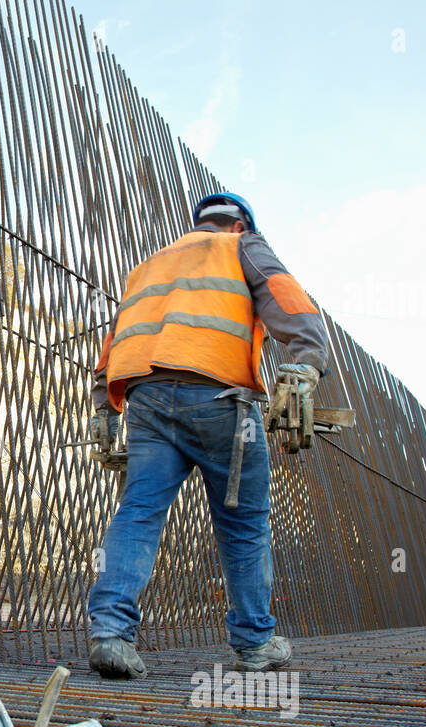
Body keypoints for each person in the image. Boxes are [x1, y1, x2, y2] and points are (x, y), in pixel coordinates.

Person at [86, 192, 330, 679]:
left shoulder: (151, 265)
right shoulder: (242, 247)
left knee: (137, 513)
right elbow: (291, 305)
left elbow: (115, 338)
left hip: (148, 400)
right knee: (243, 525)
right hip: (220, 399)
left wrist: (105, 406)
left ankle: (110, 634)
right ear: (239, 225)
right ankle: (256, 642)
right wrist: (306, 363)